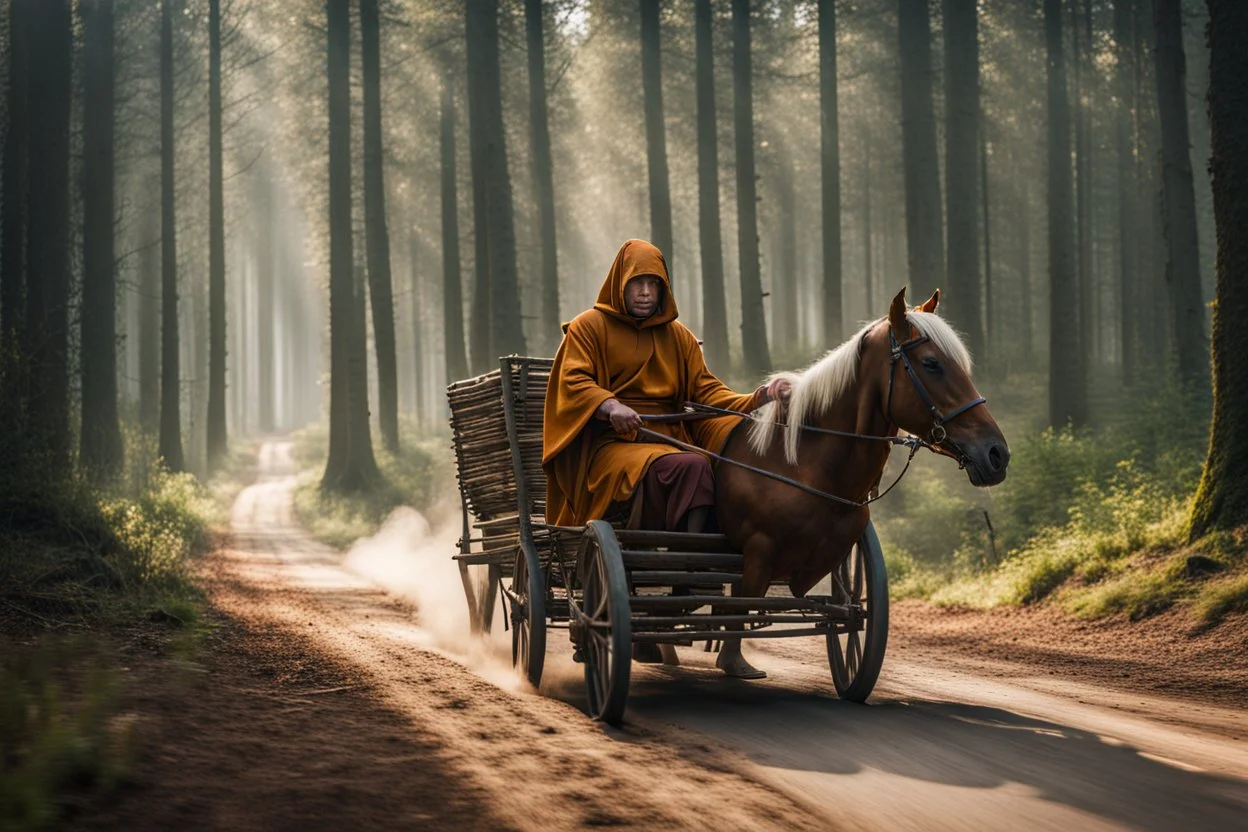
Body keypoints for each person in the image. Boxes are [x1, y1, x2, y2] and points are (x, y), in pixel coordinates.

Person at [543, 238, 790, 536]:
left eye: (653, 283)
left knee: (723, 465)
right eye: (637, 283)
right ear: (620, 283)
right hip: (610, 445)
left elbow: (707, 392)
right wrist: (611, 407)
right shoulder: (588, 327)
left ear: (663, 288)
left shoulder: (679, 337)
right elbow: (573, 381)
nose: (645, 292)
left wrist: (761, 396)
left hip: (669, 441)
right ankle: (691, 553)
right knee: (693, 465)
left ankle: (700, 554)